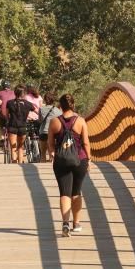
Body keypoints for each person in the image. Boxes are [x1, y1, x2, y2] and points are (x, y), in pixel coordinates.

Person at [47, 94, 91, 238]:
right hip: (80, 160)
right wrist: (89, 159)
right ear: (73, 105)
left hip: (61, 161)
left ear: (61, 106)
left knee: (64, 192)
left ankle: (65, 222)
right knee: (76, 192)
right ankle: (76, 223)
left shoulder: (54, 122)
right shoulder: (81, 121)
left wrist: (53, 153)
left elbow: (50, 144)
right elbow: (85, 143)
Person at [5, 85, 36, 164]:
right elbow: (37, 111)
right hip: (23, 127)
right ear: (24, 94)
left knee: (13, 147)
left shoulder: (9, 103)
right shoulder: (28, 104)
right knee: (20, 147)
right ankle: (20, 162)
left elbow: (6, 115)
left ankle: (14, 162)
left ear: (15, 93)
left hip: (12, 126)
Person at [39, 92, 63, 163]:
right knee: (52, 153)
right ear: (53, 100)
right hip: (53, 134)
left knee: (43, 154)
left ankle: (41, 169)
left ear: (45, 100)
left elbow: (40, 121)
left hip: (43, 132)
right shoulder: (58, 111)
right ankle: (51, 169)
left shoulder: (41, 109)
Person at [0, 80, 16, 153]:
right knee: (12, 128)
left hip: (3, 115)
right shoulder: (14, 93)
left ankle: (2, 137)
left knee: (2, 126)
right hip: (12, 115)